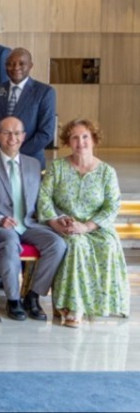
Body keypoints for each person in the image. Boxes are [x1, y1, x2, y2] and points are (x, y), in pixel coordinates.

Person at [38, 119, 129, 328]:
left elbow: (112, 206)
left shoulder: (107, 172)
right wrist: (55, 222)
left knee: (107, 245)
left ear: (94, 139)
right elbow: (44, 198)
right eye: (75, 138)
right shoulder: (57, 167)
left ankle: (101, 303)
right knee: (76, 245)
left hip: (96, 227)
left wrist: (87, 226)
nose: (81, 142)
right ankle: (72, 307)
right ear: (68, 142)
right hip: (65, 225)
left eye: (85, 136)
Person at [0, 117, 65, 322]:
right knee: (9, 244)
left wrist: (59, 217)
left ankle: (33, 296)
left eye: (17, 133)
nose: (12, 138)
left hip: (30, 223)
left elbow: (44, 199)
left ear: (23, 137)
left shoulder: (34, 164)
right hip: (0, 225)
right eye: (6, 133)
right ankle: (13, 300)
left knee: (57, 244)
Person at [0, 47, 56, 168]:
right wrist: (2, 152)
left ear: (31, 65)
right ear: (5, 66)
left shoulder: (45, 92)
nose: (16, 68)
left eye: (22, 64)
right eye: (10, 64)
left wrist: (16, 154)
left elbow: (46, 132)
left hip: (31, 159)